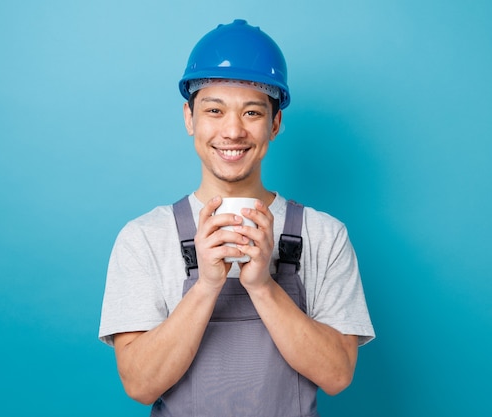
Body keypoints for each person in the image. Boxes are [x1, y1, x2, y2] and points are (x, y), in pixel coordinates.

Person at [99, 19, 375, 417]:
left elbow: (337, 375)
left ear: (275, 124)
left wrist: (263, 285)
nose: (232, 131)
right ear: (189, 118)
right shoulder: (143, 238)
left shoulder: (324, 235)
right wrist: (207, 285)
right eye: (214, 110)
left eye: (251, 112)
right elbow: (140, 385)